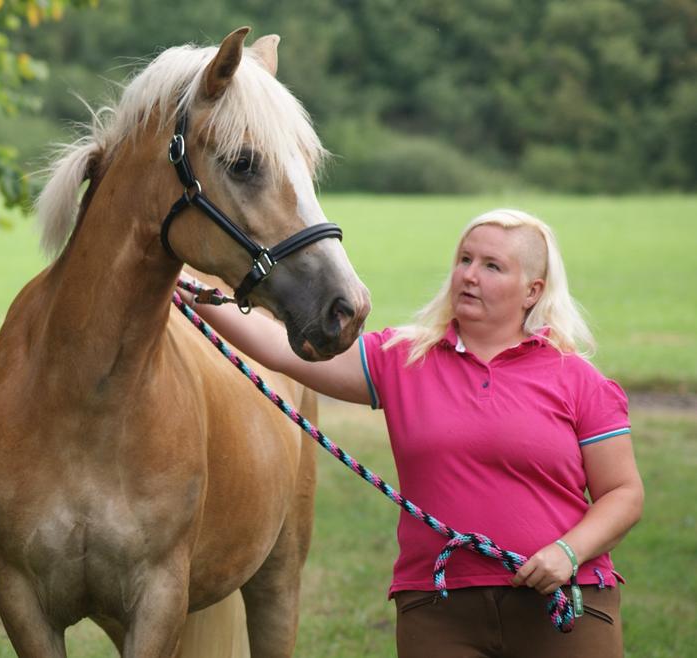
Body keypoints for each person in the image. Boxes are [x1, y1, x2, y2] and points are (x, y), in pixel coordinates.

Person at [179, 209, 643, 657]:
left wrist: (568, 552)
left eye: (492, 266)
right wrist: (189, 290)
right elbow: (282, 349)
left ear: (532, 291)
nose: (469, 275)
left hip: (563, 600)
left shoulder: (578, 379)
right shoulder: (403, 357)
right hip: (439, 608)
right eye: (465, 259)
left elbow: (623, 493)